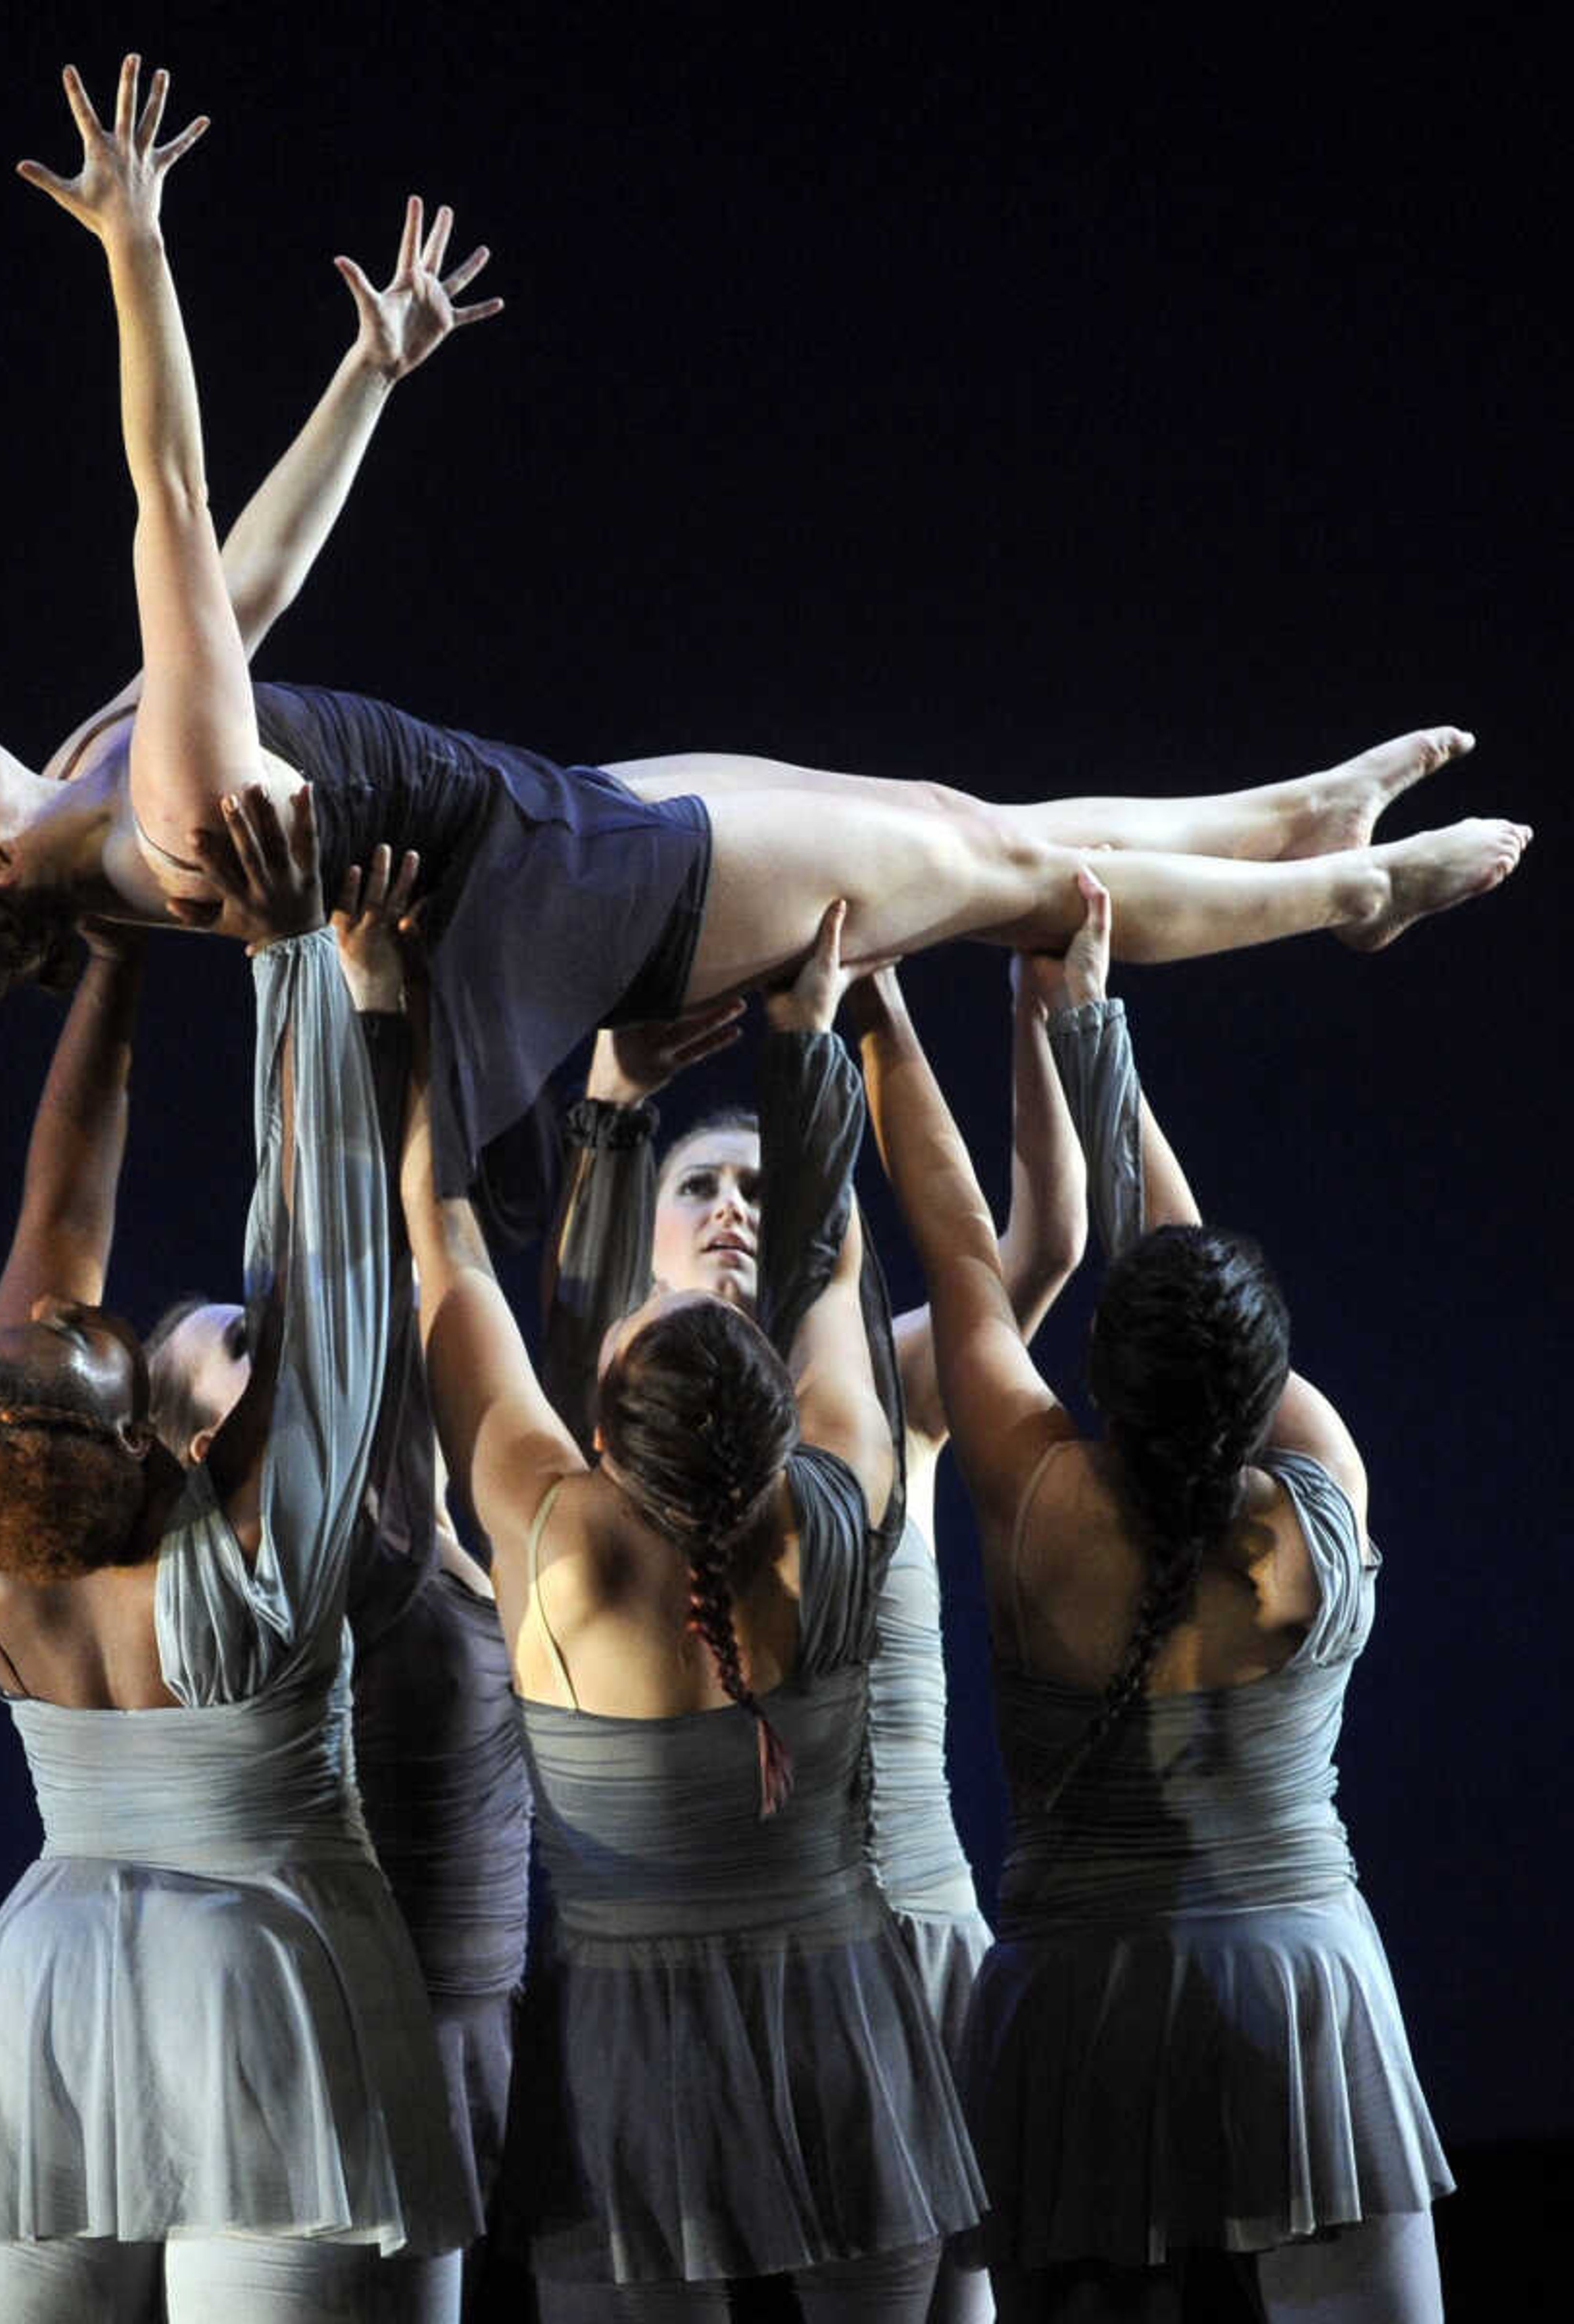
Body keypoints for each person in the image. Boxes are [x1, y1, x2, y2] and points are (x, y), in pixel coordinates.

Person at [0, 58, 1531, 1226]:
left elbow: (249, 589)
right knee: (999, 876)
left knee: (952, 809)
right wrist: (138, 252)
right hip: (568, 902)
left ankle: (1288, 825)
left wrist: (371, 376)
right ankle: (1352, 898)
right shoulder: (179, 828)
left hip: (545, 819)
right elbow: (177, 509)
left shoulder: (85, 759)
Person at [0, 792, 476, 2321]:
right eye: (88, 1340)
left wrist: (114, 967)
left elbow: (58, 1204)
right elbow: (327, 1254)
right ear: (136, 1443)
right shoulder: (241, 1557)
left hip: (54, 1976)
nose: (70, 1306)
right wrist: (294, 958)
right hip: (261, 1973)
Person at [857, 878, 1451, 2321]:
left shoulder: (1043, 1502)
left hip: (1085, 2007)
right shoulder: (1321, 1495)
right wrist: (1082, 1025)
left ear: (1108, 1380)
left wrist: (875, 1012)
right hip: (1296, 1984)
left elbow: (959, 1251)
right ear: (1265, 1395)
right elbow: (1178, 1272)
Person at [401, 900, 985, 2320]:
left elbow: (447, 1256)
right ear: (781, 1421)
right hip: (848, 2021)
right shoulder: (839, 1507)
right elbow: (840, 1267)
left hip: (623, 2054)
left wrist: (388, 995)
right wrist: (812, 1038)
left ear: (599, 1421)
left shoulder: (552, 1536)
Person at [536, 967, 1087, 2324]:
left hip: (900, 1914)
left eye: (765, 1189)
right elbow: (565, 1306)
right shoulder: (599, 1437)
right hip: (682, 1956)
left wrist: (907, 1016)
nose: (733, 1208)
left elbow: (1041, 1247)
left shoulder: (888, 1379)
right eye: (697, 1188)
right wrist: (615, 1100)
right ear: (644, 1240)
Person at [145, 850, 532, 2323]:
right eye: (236, 1352)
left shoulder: (402, 1507)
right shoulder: (304, 1560)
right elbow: (327, 1250)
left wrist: (378, 1008)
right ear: (187, 1441)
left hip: (458, 2029)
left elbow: (396, 1259)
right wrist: (327, 993)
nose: (283, 1344)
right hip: (323, 2045)